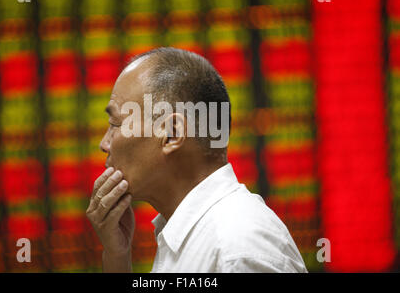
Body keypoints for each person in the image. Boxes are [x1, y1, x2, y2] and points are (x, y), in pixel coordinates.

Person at [86, 47, 308, 273]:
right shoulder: (203, 237)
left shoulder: (237, 249)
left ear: (171, 134)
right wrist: (117, 259)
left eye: (115, 124)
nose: (104, 144)